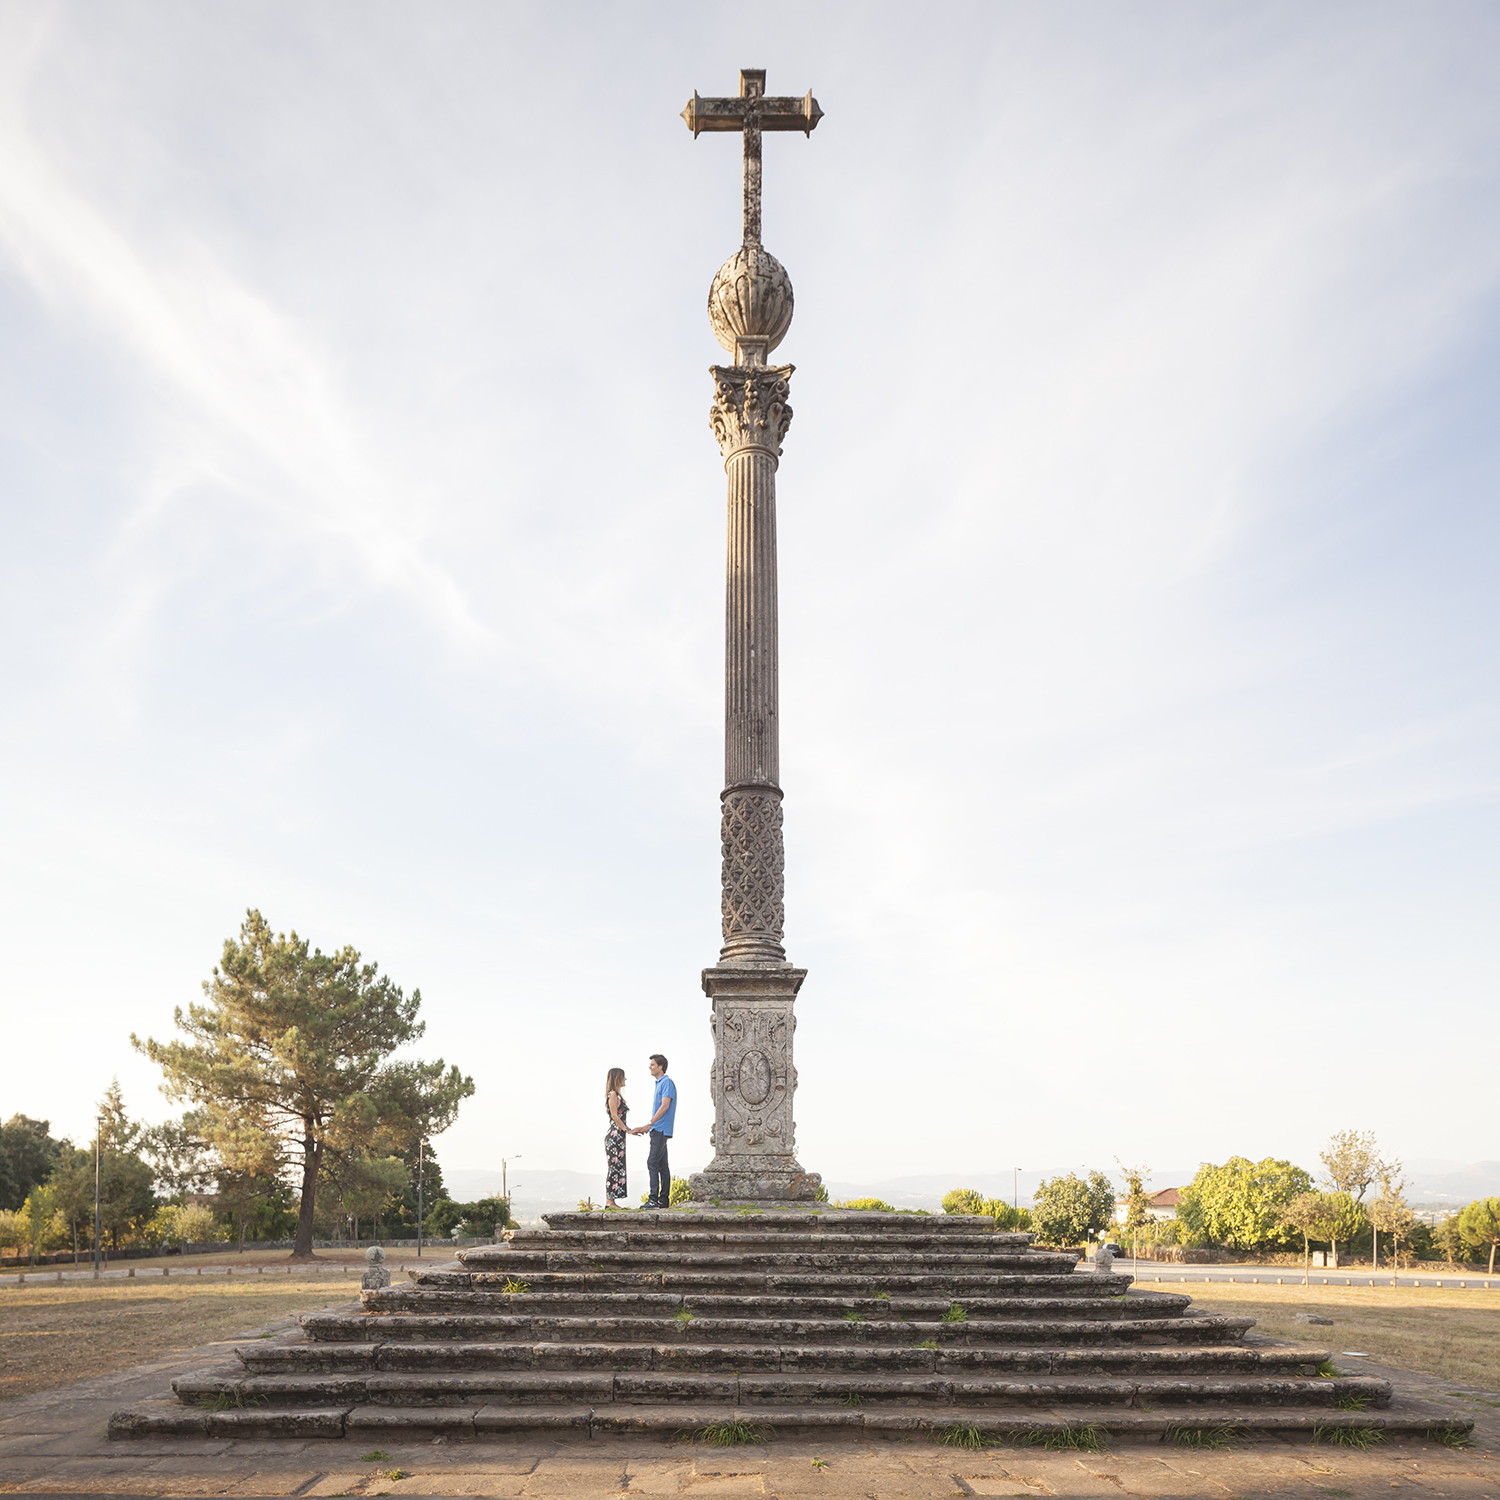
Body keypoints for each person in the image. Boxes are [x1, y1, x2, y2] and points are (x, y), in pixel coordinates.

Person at [631, 1053, 676, 1208]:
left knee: (652, 1162)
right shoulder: (659, 1083)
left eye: (652, 1064)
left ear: (660, 1066)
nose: (650, 1067)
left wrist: (649, 1124)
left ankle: (653, 1199)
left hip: (660, 1129)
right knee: (662, 1165)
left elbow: (665, 1106)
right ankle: (663, 1201)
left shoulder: (667, 1082)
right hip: (657, 1129)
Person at [603, 1066, 629, 1209]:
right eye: (624, 1076)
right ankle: (609, 1201)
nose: (626, 1079)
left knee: (618, 1167)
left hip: (619, 1136)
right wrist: (627, 1129)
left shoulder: (617, 1095)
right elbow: (614, 1115)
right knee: (613, 1167)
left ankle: (612, 1201)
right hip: (614, 1135)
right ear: (618, 1078)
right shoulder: (613, 1094)